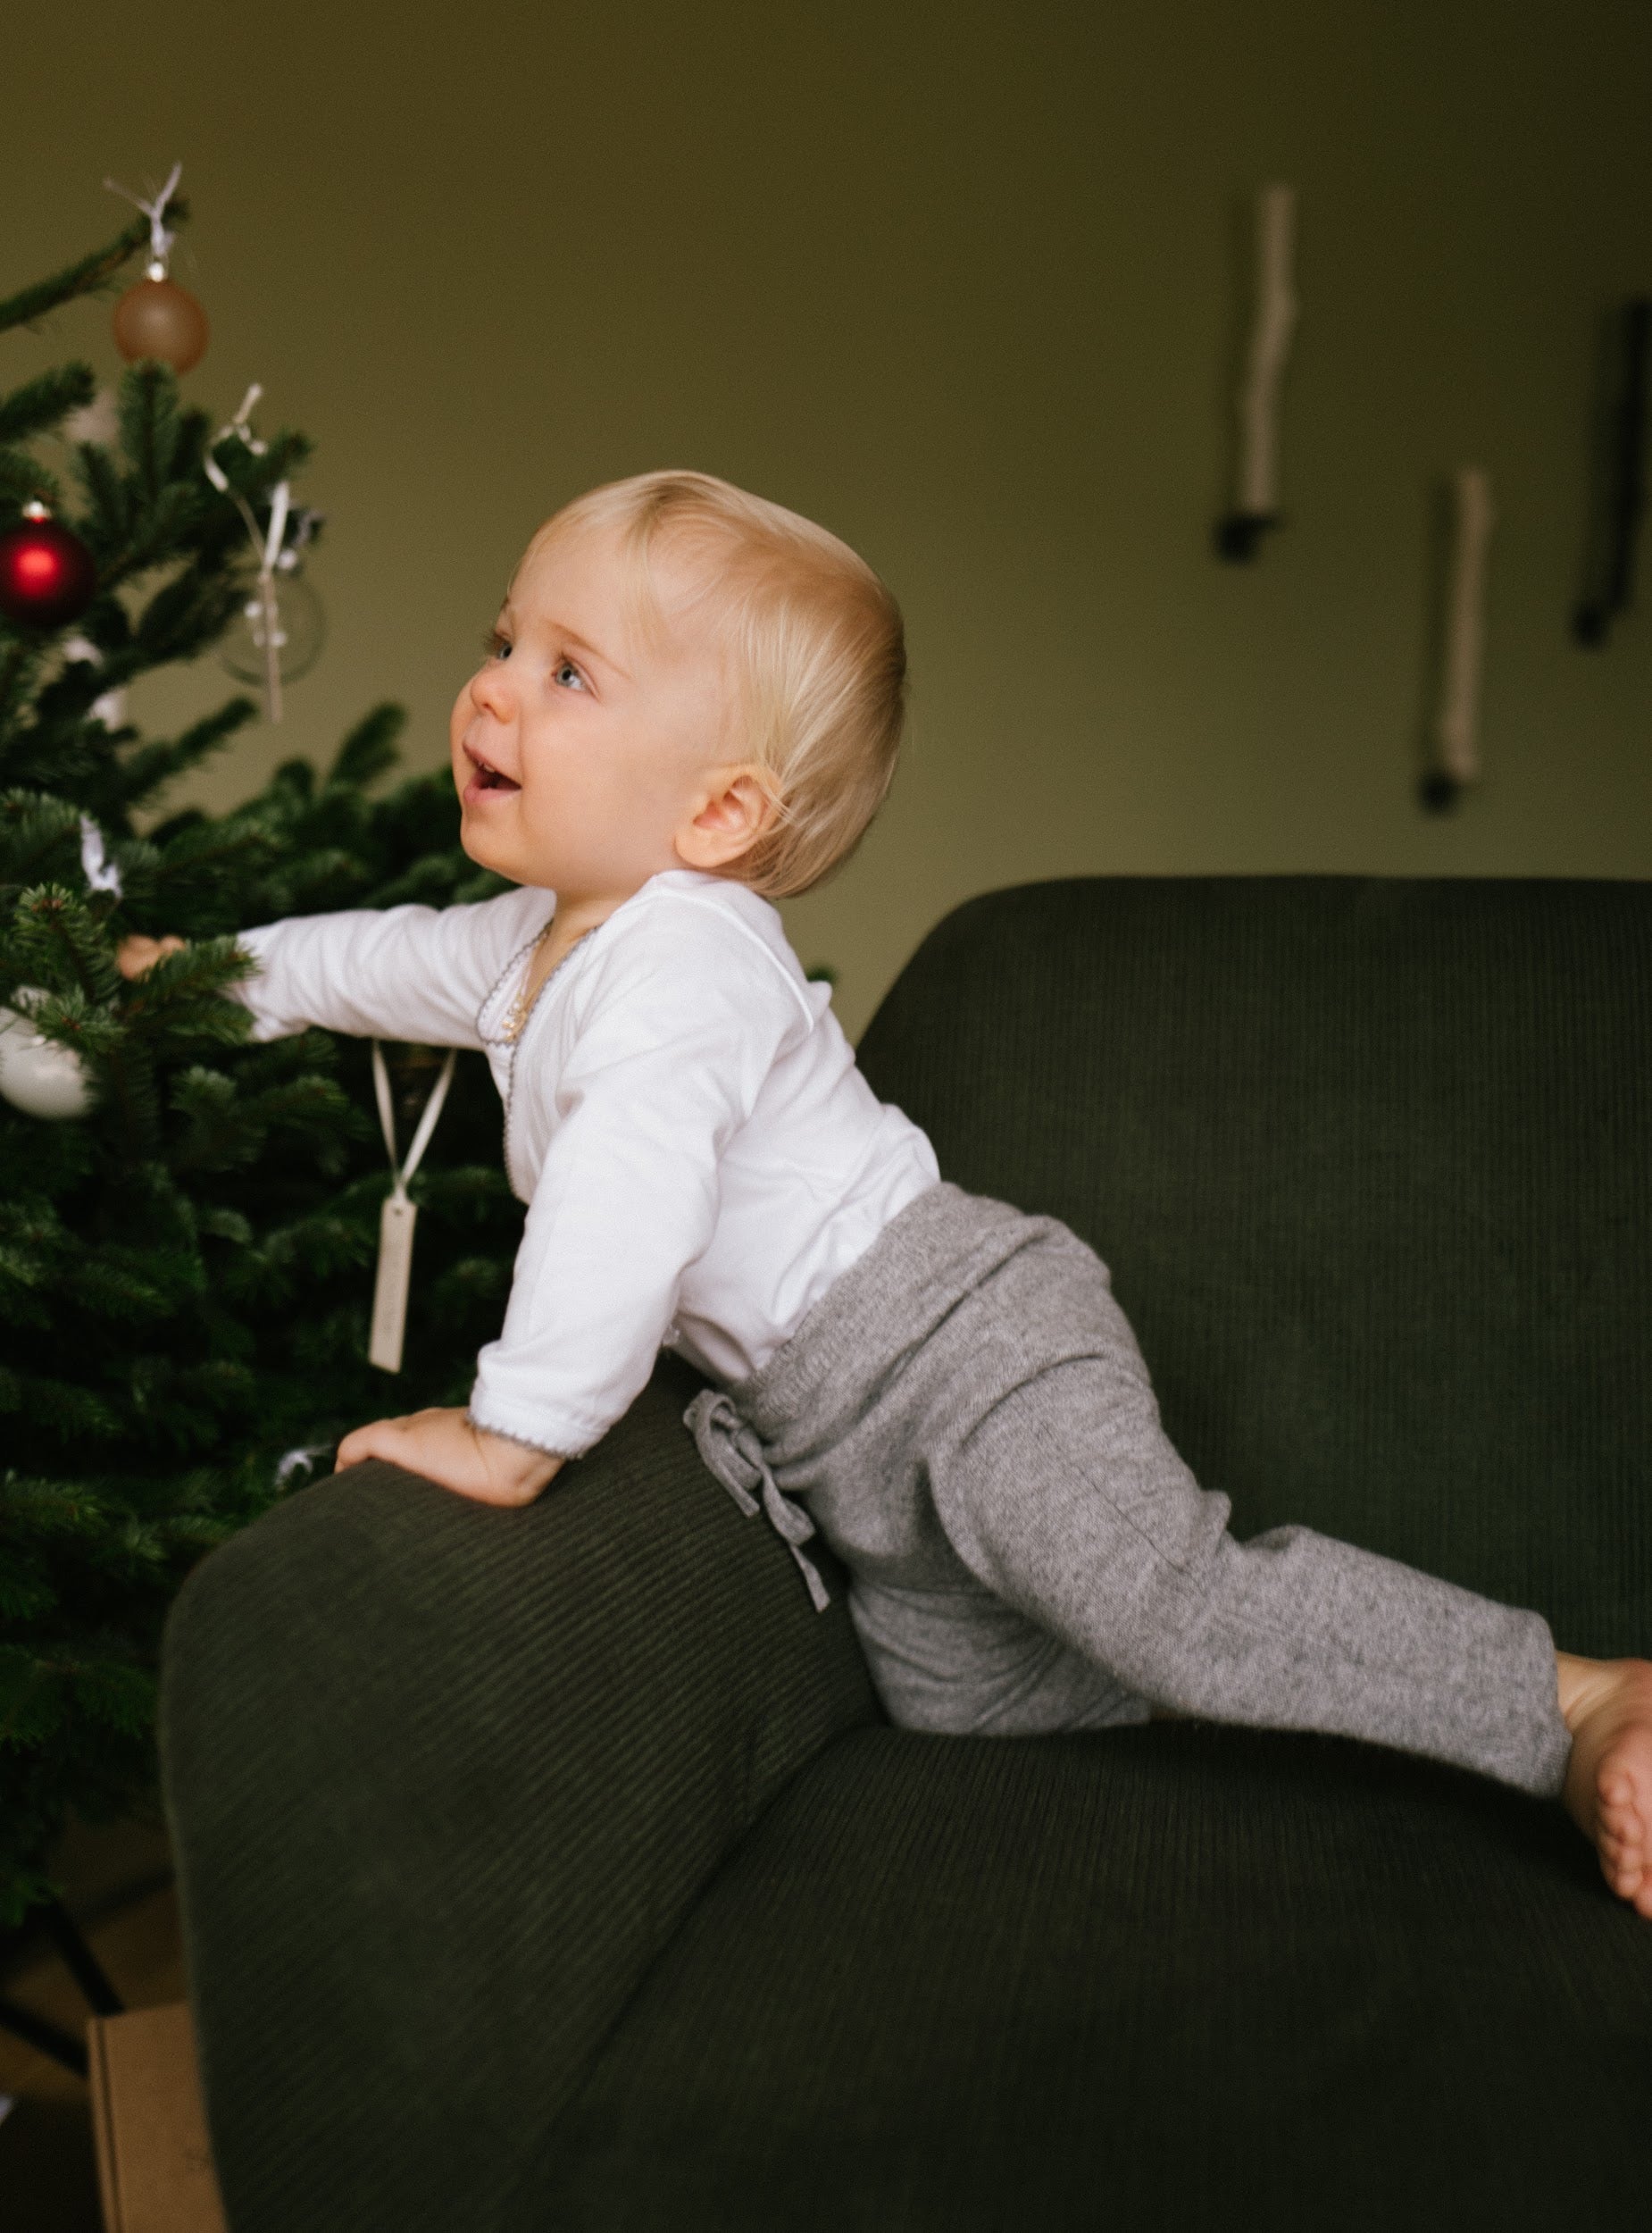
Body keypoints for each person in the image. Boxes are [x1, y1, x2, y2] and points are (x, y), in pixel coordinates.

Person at [119, 468, 1652, 1918]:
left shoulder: (686, 961)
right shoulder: (537, 942)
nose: (494, 688)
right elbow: (369, 958)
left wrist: (514, 1429)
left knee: (1167, 1604)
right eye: (503, 641)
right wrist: (192, 981)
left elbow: (627, 1201)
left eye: (569, 672)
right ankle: (1293, 1686)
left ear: (717, 816)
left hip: (958, 1342)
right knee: (971, 1702)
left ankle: (1570, 1705)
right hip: (840, 1428)